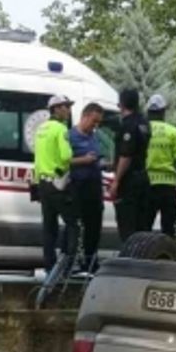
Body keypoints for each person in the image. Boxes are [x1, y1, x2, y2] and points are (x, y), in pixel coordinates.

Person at [32, 95, 89, 271]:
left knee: (49, 227)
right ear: (56, 109)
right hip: (58, 183)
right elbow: (66, 157)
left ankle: (49, 267)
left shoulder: (41, 129)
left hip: (42, 184)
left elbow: (38, 159)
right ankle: (68, 264)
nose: (68, 110)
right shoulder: (60, 129)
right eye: (65, 106)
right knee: (74, 223)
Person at [144, 94, 176, 238]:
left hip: (148, 184)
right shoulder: (173, 132)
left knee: (145, 226)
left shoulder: (143, 130)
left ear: (148, 112)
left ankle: (143, 257)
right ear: (163, 112)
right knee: (169, 228)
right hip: (168, 186)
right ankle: (170, 257)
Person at [109, 88, 153, 240]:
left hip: (129, 182)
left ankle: (130, 261)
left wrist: (116, 181)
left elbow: (126, 156)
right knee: (141, 227)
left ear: (121, 104)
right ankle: (142, 260)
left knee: (127, 227)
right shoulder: (144, 123)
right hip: (143, 177)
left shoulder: (128, 125)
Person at [68, 103, 106, 271]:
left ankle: (91, 261)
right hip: (78, 187)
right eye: (93, 121)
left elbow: (99, 156)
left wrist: (105, 163)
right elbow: (62, 161)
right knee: (77, 226)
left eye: (98, 123)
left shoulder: (94, 136)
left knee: (94, 226)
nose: (95, 126)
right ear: (84, 116)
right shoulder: (70, 136)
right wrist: (83, 160)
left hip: (94, 187)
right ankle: (73, 262)